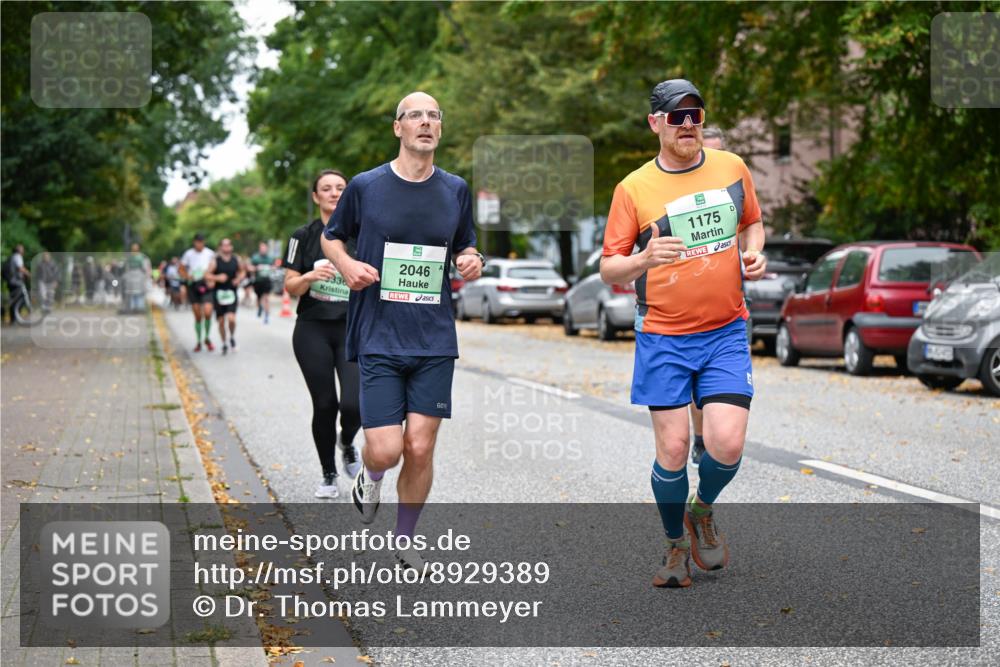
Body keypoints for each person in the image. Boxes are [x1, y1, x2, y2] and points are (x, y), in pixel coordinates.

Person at [600, 79, 767, 588]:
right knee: (673, 451)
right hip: (664, 336)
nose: (689, 124)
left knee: (727, 444)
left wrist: (755, 251)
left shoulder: (731, 167)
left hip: (724, 330)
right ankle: (675, 545)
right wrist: (644, 258)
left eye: (695, 114)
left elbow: (753, 222)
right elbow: (610, 267)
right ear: (656, 124)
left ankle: (702, 510)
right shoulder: (633, 189)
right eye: (677, 116)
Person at [321, 92, 484, 569]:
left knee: (420, 445)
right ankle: (369, 478)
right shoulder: (367, 186)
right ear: (398, 128)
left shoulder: (455, 188)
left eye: (434, 115)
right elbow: (332, 238)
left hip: (433, 336)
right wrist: (348, 266)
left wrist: (472, 259)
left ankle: (405, 535)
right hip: (379, 334)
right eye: (415, 115)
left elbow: (468, 246)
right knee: (387, 449)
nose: (426, 122)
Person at [285, 170, 363, 499]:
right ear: (316, 197)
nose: (334, 193)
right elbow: (289, 287)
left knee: (354, 404)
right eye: (326, 189)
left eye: (340, 188)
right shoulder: (301, 236)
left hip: (351, 328)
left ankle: (346, 441)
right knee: (325, 404)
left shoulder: (363, 235)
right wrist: (310, 276)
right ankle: (328, 474)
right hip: (312, 329)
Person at [688, 126, 724, 468]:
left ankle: (720, 437)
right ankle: (701, 439)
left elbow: (752, 229)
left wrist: (755, 254)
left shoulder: (733, 190)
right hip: (686, 308)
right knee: (697, 383)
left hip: (729, 307)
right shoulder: (677, 191)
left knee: (721, 382)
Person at [205, 238, 244, 356]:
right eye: (224, 245)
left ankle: (231, 336)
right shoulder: (215, 261)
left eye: (228, 245)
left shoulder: (236, 259)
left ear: (231, 247)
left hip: (231, 293)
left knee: (231, 319)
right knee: (221, 322)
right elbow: (206, 275)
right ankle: (224, 343)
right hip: (219, 294)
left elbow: (242, 271)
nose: (226, 248)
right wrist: (217, 278)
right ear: (221, 247)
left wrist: (238, 279)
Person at [180, 233, 216, 352]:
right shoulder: (188, 254)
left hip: (206, 284)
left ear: (204, 242)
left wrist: (211, 277)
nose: (199, 244)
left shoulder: (210, 253)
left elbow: (215, 267)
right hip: (194, 285)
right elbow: (181, 268)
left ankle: (207, 337)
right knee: (197, 315)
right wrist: (187, 276)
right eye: (197, 242)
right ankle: (199, 341)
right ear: (194, 242)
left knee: (207, 311)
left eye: (201, 242)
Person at [250, 241, 278, 323]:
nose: (263, 249)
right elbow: (250, 268)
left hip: (267, 280)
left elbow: (275, 267)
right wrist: (256, 268)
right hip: (258, 281)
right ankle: (259, 307)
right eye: (262, 248)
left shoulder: (270, 258)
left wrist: (272, 268)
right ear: (259, 249)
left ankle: (266, 316)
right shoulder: (255, 258)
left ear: (267, 248)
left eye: (264, 248)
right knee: (258, 298)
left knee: (266, 298)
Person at [4, 244, 30, 324]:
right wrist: (28, 273)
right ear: (19, 250)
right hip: (16, 282)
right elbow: (20, 268)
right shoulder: (18, 257)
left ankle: (13, 319)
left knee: (14, 299)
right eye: (22, 249)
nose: (23, 250)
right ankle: (14, 318)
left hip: (11, 281)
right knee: (19, 299)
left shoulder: (12, 257)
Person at [123, 242, 151, 313]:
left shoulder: (129, 257)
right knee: (139, 293)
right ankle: (138, 307)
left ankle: (134, 307)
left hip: (132, 275)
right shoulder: (141, 257)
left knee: (133, 293)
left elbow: (126, 268)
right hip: (138, 275)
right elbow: (144, 267)